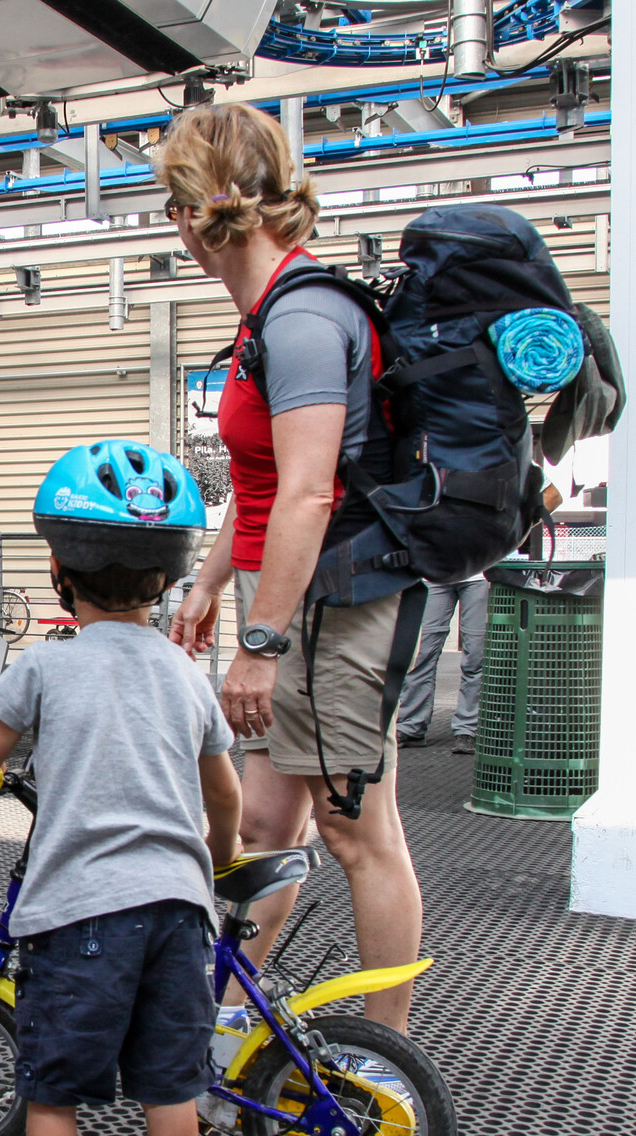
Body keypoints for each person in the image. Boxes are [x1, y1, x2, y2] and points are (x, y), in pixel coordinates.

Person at [0, 441, 242, 1136]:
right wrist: (219, 857)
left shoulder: (43, 665)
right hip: (177, 913)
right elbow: (222, 791)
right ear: (166, 580)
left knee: (54, 1086)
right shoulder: (186, 674)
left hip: (78, 914)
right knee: (172, 1083)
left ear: (56, 570)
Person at [162, 103, 425, 1035]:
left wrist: (260, 648)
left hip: (339, 604)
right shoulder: (262, 318)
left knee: (360, 835)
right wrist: (211, 579)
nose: (172, 226)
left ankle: (387, 1058)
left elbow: (313, 495)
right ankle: (226, 1026)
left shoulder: (306, 316)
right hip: (289, 604)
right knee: (265, 829)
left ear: (203, 207)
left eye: (171, 203)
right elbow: (265, 480)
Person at [396, 575, 490, 753]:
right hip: (434, 574)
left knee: (476, 658)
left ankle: (468, 729)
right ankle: (410, 726)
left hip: (478, 574)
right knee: (419, 655)